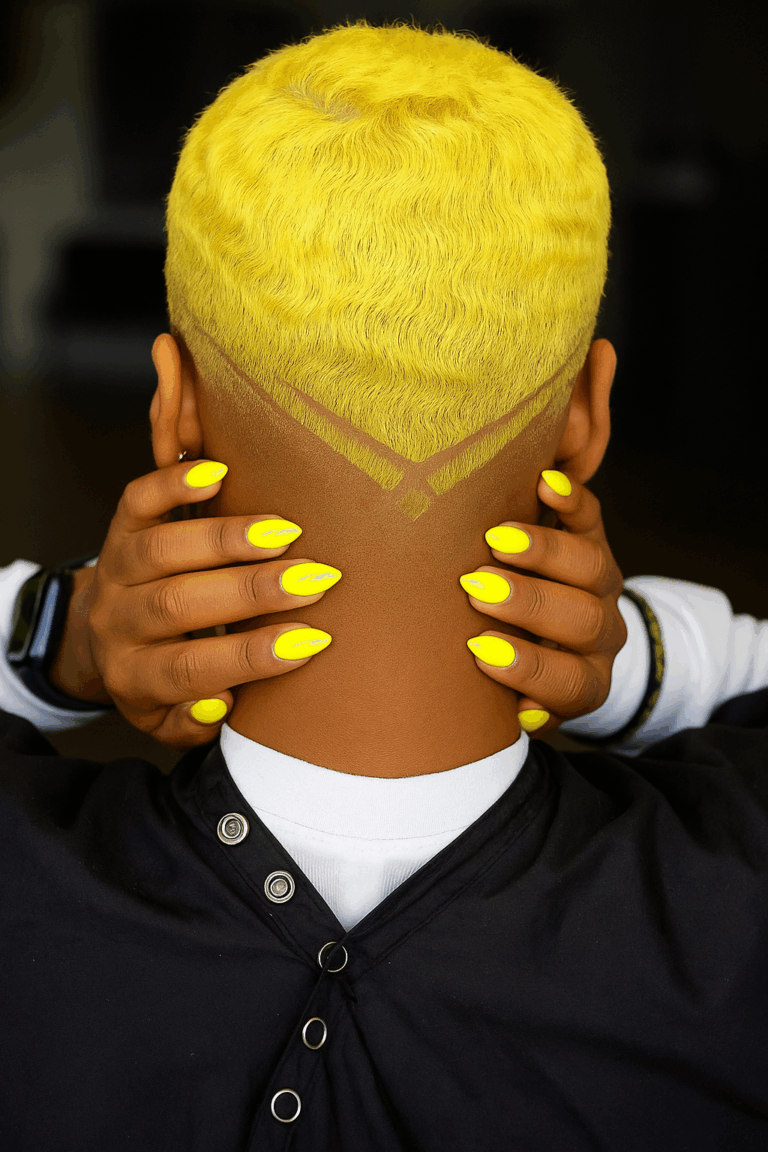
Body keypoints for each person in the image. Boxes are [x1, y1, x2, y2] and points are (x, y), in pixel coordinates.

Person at [2, 18, 768, 1150]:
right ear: (589, 419)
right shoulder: (737, 910)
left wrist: (61, 638)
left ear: (171, 410)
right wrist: (640, 664)